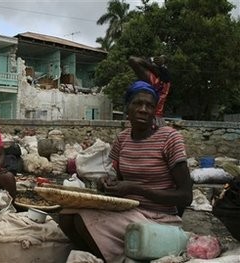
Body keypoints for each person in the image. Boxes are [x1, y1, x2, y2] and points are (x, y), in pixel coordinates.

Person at [59, 80, 193, 262]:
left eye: (149, 106)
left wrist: (135, 189)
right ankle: (103, 256)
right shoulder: (122, 139)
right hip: (129, 212)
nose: (143, 109)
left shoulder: (169, 138)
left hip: (160, 218)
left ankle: (113, 258)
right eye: (138, 103)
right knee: (66, 215)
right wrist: (105, 184)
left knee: (82, 218)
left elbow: (186, 196)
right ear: (127, 108)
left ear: (154, 111)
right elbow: (118, 182)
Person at [128, 55, 171, 126]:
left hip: (156, 119)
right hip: (140, 117)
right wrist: (153, 63)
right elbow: (132, 59)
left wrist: (161, 65)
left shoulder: (165, 81)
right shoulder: (150, 78)